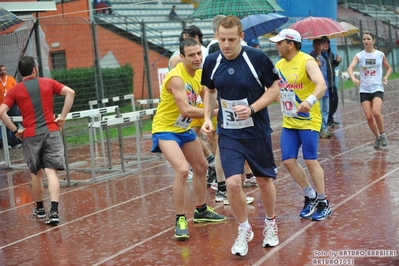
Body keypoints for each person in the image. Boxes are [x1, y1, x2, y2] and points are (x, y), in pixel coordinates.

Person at [202, 16, 280, 256]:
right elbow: (210, 91)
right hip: (229, 133)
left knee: (264, 181)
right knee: (233, 183)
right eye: (222, 39)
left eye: (231, 39)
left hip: (256, 132)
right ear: (217, 36)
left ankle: (270, 223)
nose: (226, 44)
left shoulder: (256, 58)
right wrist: (207, 117)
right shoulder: (212, 61)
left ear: (241, 37)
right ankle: (244, 228)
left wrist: (253, 108)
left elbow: (275, 89)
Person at [151, 38, 226, 240]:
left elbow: (208, 98)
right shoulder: (176, 78)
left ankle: (201, 210)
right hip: (166, 129)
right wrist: (215, 113)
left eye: (199, 53)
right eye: (191, 55)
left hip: (183, 129)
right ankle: (180, 219)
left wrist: (221, 103)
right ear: (182, 57)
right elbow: (185, 109)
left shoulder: (200, 74)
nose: (197, 58)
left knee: (201, 166)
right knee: (183, 170)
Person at [0, 56, 75, 225]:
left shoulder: (15, 90)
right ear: (35, 69)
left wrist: (15, 130)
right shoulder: (48, 82)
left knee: (36, 173)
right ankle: (54, 211)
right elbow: (70, 92)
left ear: (20, 72)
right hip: (51, 132)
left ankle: (40, 208)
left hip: (30, 135)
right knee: (51, 171)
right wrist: (62, 117)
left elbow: (2, 111)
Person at [269, 29, 331, 222]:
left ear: (291, 44)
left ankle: (323, 202)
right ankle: (310, 195)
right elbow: (274, 89)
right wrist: (275, 96)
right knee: (288, 161)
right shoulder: (279, 64)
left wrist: (309, 101)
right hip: (289, 121)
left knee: (311, 160)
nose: (276, 46)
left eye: (279, 43)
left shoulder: (307, 61)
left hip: (308, 120)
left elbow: (321, 85)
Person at [347, 32, 392, 149]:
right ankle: (377, 137)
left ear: (373, 40)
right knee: (369, 117)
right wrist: (353, 78)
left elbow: (389, 68)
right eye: (364, 39)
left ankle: (382, 134)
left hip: (377, 87)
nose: (366, 41)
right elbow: (350, 67)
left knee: (376, 112)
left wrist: (386, 76)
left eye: (368, 39)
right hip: (364, 89)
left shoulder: (380, 55)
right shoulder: (359, 55)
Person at [309, 38, 331, 138]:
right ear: (313, 46)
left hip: (325, 88)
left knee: (326, 109)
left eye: (320, 45)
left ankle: (324, 128)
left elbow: (325, 74)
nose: (318, 47)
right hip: (316, 89)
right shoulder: (310, 58)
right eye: (316, 45)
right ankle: (318, 128)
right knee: (319, 109)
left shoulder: (322, 58)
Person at [321, 36, 341, 127]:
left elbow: (332, 65)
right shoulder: (319, 56)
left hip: (332, 83)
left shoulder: (330, 54)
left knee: (334, 102)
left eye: (327, 43)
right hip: (325, 84)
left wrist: (337, 62)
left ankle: (330, 118)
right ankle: (326, 121)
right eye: (324, 43)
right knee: (326, 104)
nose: (326, 45)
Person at [0, 64, 21, 149]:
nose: (3, 71)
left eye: (4, 70)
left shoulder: (11, 79)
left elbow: (16, 91)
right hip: (2, 106)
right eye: (1, 70)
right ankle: (7, 143)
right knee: (5, 124)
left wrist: (18, 103)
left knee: (14, 123)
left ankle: (15, 142)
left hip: (12, 105)